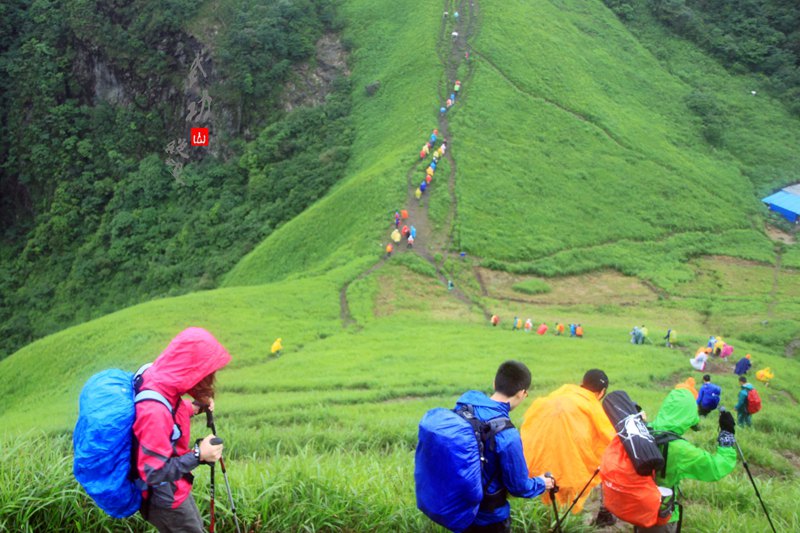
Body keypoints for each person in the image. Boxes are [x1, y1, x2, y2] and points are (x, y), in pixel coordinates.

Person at [134, 328, 232, 533]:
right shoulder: (154, 411)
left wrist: (194, 407)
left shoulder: (156, 376)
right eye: (206, 374)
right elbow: (153, 472)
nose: (209, 380)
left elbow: (170, 408)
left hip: (174, 489)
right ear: (191, 370)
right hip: (166, 500)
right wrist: (198, 455)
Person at [457, 361, 554, 533]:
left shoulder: (466, 405)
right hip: (489, 519)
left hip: (459, 509)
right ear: (522, 393)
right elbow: (519, 487)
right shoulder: (508, 436)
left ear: (494, 383)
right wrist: (542, 483)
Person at [638, 387, 737, 532]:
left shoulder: (646, 430)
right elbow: (715, 468)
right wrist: (727, 437)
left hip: (639, 507)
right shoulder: (679, 449)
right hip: (662, 516)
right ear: (689, 415)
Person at [520, 370, 614, 517]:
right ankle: (570, 516)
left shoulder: (559, 394)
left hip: (535, 466)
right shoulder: (592, 405)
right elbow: (609, 439)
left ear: (582, 384)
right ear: (602, 392)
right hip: (569, 472)